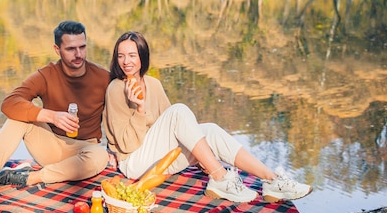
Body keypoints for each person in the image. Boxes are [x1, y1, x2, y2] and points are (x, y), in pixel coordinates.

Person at [102, 31, 312, 203]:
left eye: (132, 55)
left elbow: (169, 129)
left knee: (209, 129)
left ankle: (272, 180)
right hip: (134, 163)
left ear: (142, 56)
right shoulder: (115, 89)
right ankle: (220, 176)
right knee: (179, 111)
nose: (126, 61)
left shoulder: (153, 84)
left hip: (159, 159)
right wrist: (139, 110)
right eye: (121, 55)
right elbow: (127, 146)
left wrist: (200, 153)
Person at [0, 21, 110, 210]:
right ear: (57, 49)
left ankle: (28, 177)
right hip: (50, 146)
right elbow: (9, 103)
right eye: (70, 49)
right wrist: (49, 116)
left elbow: (121, 114)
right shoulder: (46, 75)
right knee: (17, 118)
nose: (78, 54)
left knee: (100, 156)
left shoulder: (103, 77)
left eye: (82, 47)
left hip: (84, 152)